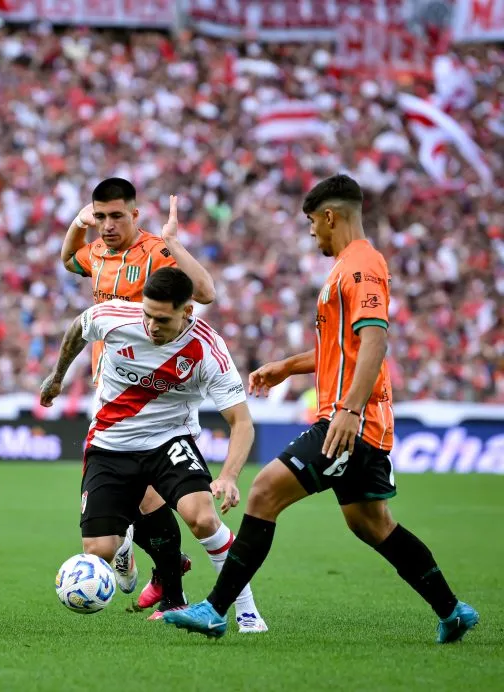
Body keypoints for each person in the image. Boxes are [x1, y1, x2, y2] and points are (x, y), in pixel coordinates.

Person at [163, 174, 479, 642]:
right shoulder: (347, 267)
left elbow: (375, 340)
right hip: (356, 421)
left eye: (312, 222)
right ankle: (452, 611)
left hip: (348, 423)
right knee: (371, 524)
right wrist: (287, 367)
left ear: (330, 216)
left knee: (263, 492)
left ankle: (215, 609)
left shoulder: (362, 266)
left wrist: (349, 410)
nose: (312, 233)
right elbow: (341, 347)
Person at [41, 267, 267, 632]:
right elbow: (76, 330)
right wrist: (57, 378)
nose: (150, 326)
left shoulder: (207, 349)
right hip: (110, 444)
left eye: (162, 319)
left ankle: (247, 612)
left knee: (203, 518)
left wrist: (228, 476)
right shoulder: (113, 317)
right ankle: (125, 541)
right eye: (147, 314)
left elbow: (241, 422)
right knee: (98, 551)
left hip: (169, 440)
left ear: (187, 312)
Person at [61, 178, 215, 610]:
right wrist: (78, 224)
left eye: (116, 216)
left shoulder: (156, 253)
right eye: (100, 217)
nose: (107, 225)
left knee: (144, 497)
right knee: (142, 498)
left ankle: (164, 577)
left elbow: (204, 294)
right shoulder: (96, 252)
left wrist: (174, 244)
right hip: (112, 389)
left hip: (157, 392)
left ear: (134, 214)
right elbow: (67, 259)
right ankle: (164, 571)